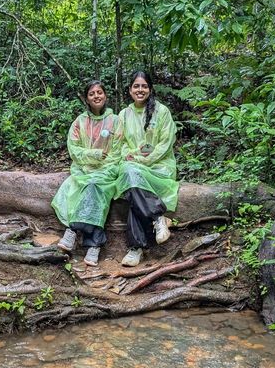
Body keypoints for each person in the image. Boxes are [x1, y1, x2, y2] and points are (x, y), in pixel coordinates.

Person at [51, 80, 120, 266]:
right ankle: (94, 245)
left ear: (105, 96)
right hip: (83, 169)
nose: (96, 96)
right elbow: (74, 149)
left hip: (108, 170)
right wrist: (94, 155)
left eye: (99, 92)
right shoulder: (79, 122)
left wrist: (103, 164)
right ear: (87, 99)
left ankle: (72, 231)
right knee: (89, 185)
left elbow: (119, 150)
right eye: (92, 94)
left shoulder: (115, 121)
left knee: (95, 185)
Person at [115, 70, 179, 267]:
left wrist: (142, 159)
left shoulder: (162, 112)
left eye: (144, 86)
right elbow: (120, 143)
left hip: (158, 166)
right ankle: (157, 216)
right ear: (130, 90)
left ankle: (136, 248)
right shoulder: (124, 115)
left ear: (150, 89)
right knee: (130, 174)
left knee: (133, 178)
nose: (140, 90)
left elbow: (164, 143)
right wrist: (132, 155)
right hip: (132, 165)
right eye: (136, 86)